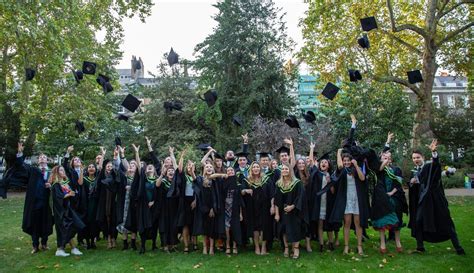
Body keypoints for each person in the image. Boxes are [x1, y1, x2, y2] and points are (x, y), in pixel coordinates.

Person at [410, 139, 465, 255]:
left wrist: (434, 153)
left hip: (436, 199)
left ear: (423, 157)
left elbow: (436, 166)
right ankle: (420, 247)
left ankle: (459, 248)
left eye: (418, 157)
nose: (416, 160)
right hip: (423, 201)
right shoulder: (415, 170)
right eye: (414, 158)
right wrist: (413, 182)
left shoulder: (429, 165)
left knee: (446, 222)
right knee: (418, 221)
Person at [15, 142, 53, 254]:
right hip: (34, 202)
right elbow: (20, 165)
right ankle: (35, 245)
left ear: (47, 160)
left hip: (47, 202)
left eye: (44, 157)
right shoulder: (32, 170)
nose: (42, 159)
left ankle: (44, 244)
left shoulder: (51, 172)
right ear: (38, 160)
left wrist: (50, 185)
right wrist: (20, 152)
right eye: (40, 157)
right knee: (34, 223)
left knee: (46, 222)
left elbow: (58, 183)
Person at [330, 149, 368, 255]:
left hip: (356, 199)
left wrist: (356, 166)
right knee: (347, 223)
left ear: (351, 161)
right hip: (346, 200)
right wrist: (338, 153)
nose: (346, 162)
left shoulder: (355, 169)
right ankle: (346, 247)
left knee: (358, 224)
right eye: (344, 160)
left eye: (348, 160)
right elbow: (340, 165)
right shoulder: (342, 171)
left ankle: (359, 246)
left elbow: (362, 178)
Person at [371, 149, 407, 254]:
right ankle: (382, 244)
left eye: (389, 157)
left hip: (394, 197)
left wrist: (391, 193)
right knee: (382, 220)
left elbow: (398, 184)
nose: (387, 159)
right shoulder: (378, 169)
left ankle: (398, 243)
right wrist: (384, 161)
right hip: (381, 198)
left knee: (397, 220)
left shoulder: (396, 170)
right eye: (384, 157)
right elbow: (379, 169)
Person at [50, 165, 85, 256]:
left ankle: (70, 248)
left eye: (63, 170)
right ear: (57, 173)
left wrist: (72, 194)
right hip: (60, 211)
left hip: (68, 209)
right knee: (64, 228)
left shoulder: (65, 183)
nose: (63, 171)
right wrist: (69, 194)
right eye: (61, 170)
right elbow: (59, 197)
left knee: (71, 226)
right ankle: (61, 249)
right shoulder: (56, 184)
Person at [274, 163, 308, 259]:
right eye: (283, 169)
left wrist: (292, 206)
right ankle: (286, 248)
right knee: (284, 229)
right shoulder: (278, 184)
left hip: (295, 211)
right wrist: (277, 213)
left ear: (290, 170)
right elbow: (276, 199)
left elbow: (300, 197)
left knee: (295, 229)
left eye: (286, 169)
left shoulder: (297, 183)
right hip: (282, 211)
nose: (284, 170)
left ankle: (296, 248)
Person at [310, 153, 338, 252]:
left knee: (329, 224)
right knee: (320, 224)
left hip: (328, 204)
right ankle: (321, 244)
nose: (323, 163)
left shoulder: (333, 176)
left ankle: (330, 243)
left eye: (325, 162)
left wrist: (330, 181)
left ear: (328, 165)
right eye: (322, 162)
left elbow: (333, 192)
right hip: (319, 203)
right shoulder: (317, 174)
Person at [96, 147, 120, 249]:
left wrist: (115, 156)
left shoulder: (115, 176)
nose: (109, 167)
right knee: (106, 220)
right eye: (108, 166)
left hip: (113, 202)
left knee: (114, 220)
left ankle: (114, 238)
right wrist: (103, 155)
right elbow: (100, 168)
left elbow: (117, 168)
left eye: (111, 166)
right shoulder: (102, 176)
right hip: (104, 202)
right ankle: (109, 239)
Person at [193, 163, 219, 255]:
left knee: (211, 228)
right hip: (202, 207)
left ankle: (211, 248)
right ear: (204, 169)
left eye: (211, 167)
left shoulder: (214, 180)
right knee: (204, 228)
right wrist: (192, 170)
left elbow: (216, 196)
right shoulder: (200, 179)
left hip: (212, 207)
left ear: (213, 169)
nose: (208, 168)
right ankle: (204, 247)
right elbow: (194, 179)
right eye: (207, 167)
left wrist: (213, 208)